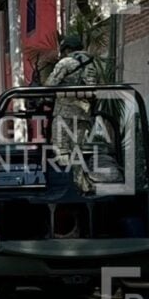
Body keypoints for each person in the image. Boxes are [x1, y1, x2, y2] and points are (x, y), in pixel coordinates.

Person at [46, 35, 99, 192]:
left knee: (61, 149)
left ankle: (66, 186)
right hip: (84, 113)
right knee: (78, 151)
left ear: (67, 49)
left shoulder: (66, 62)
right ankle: (82, 185)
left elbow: (50, 85)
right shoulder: (92, 64)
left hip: (65, 113)